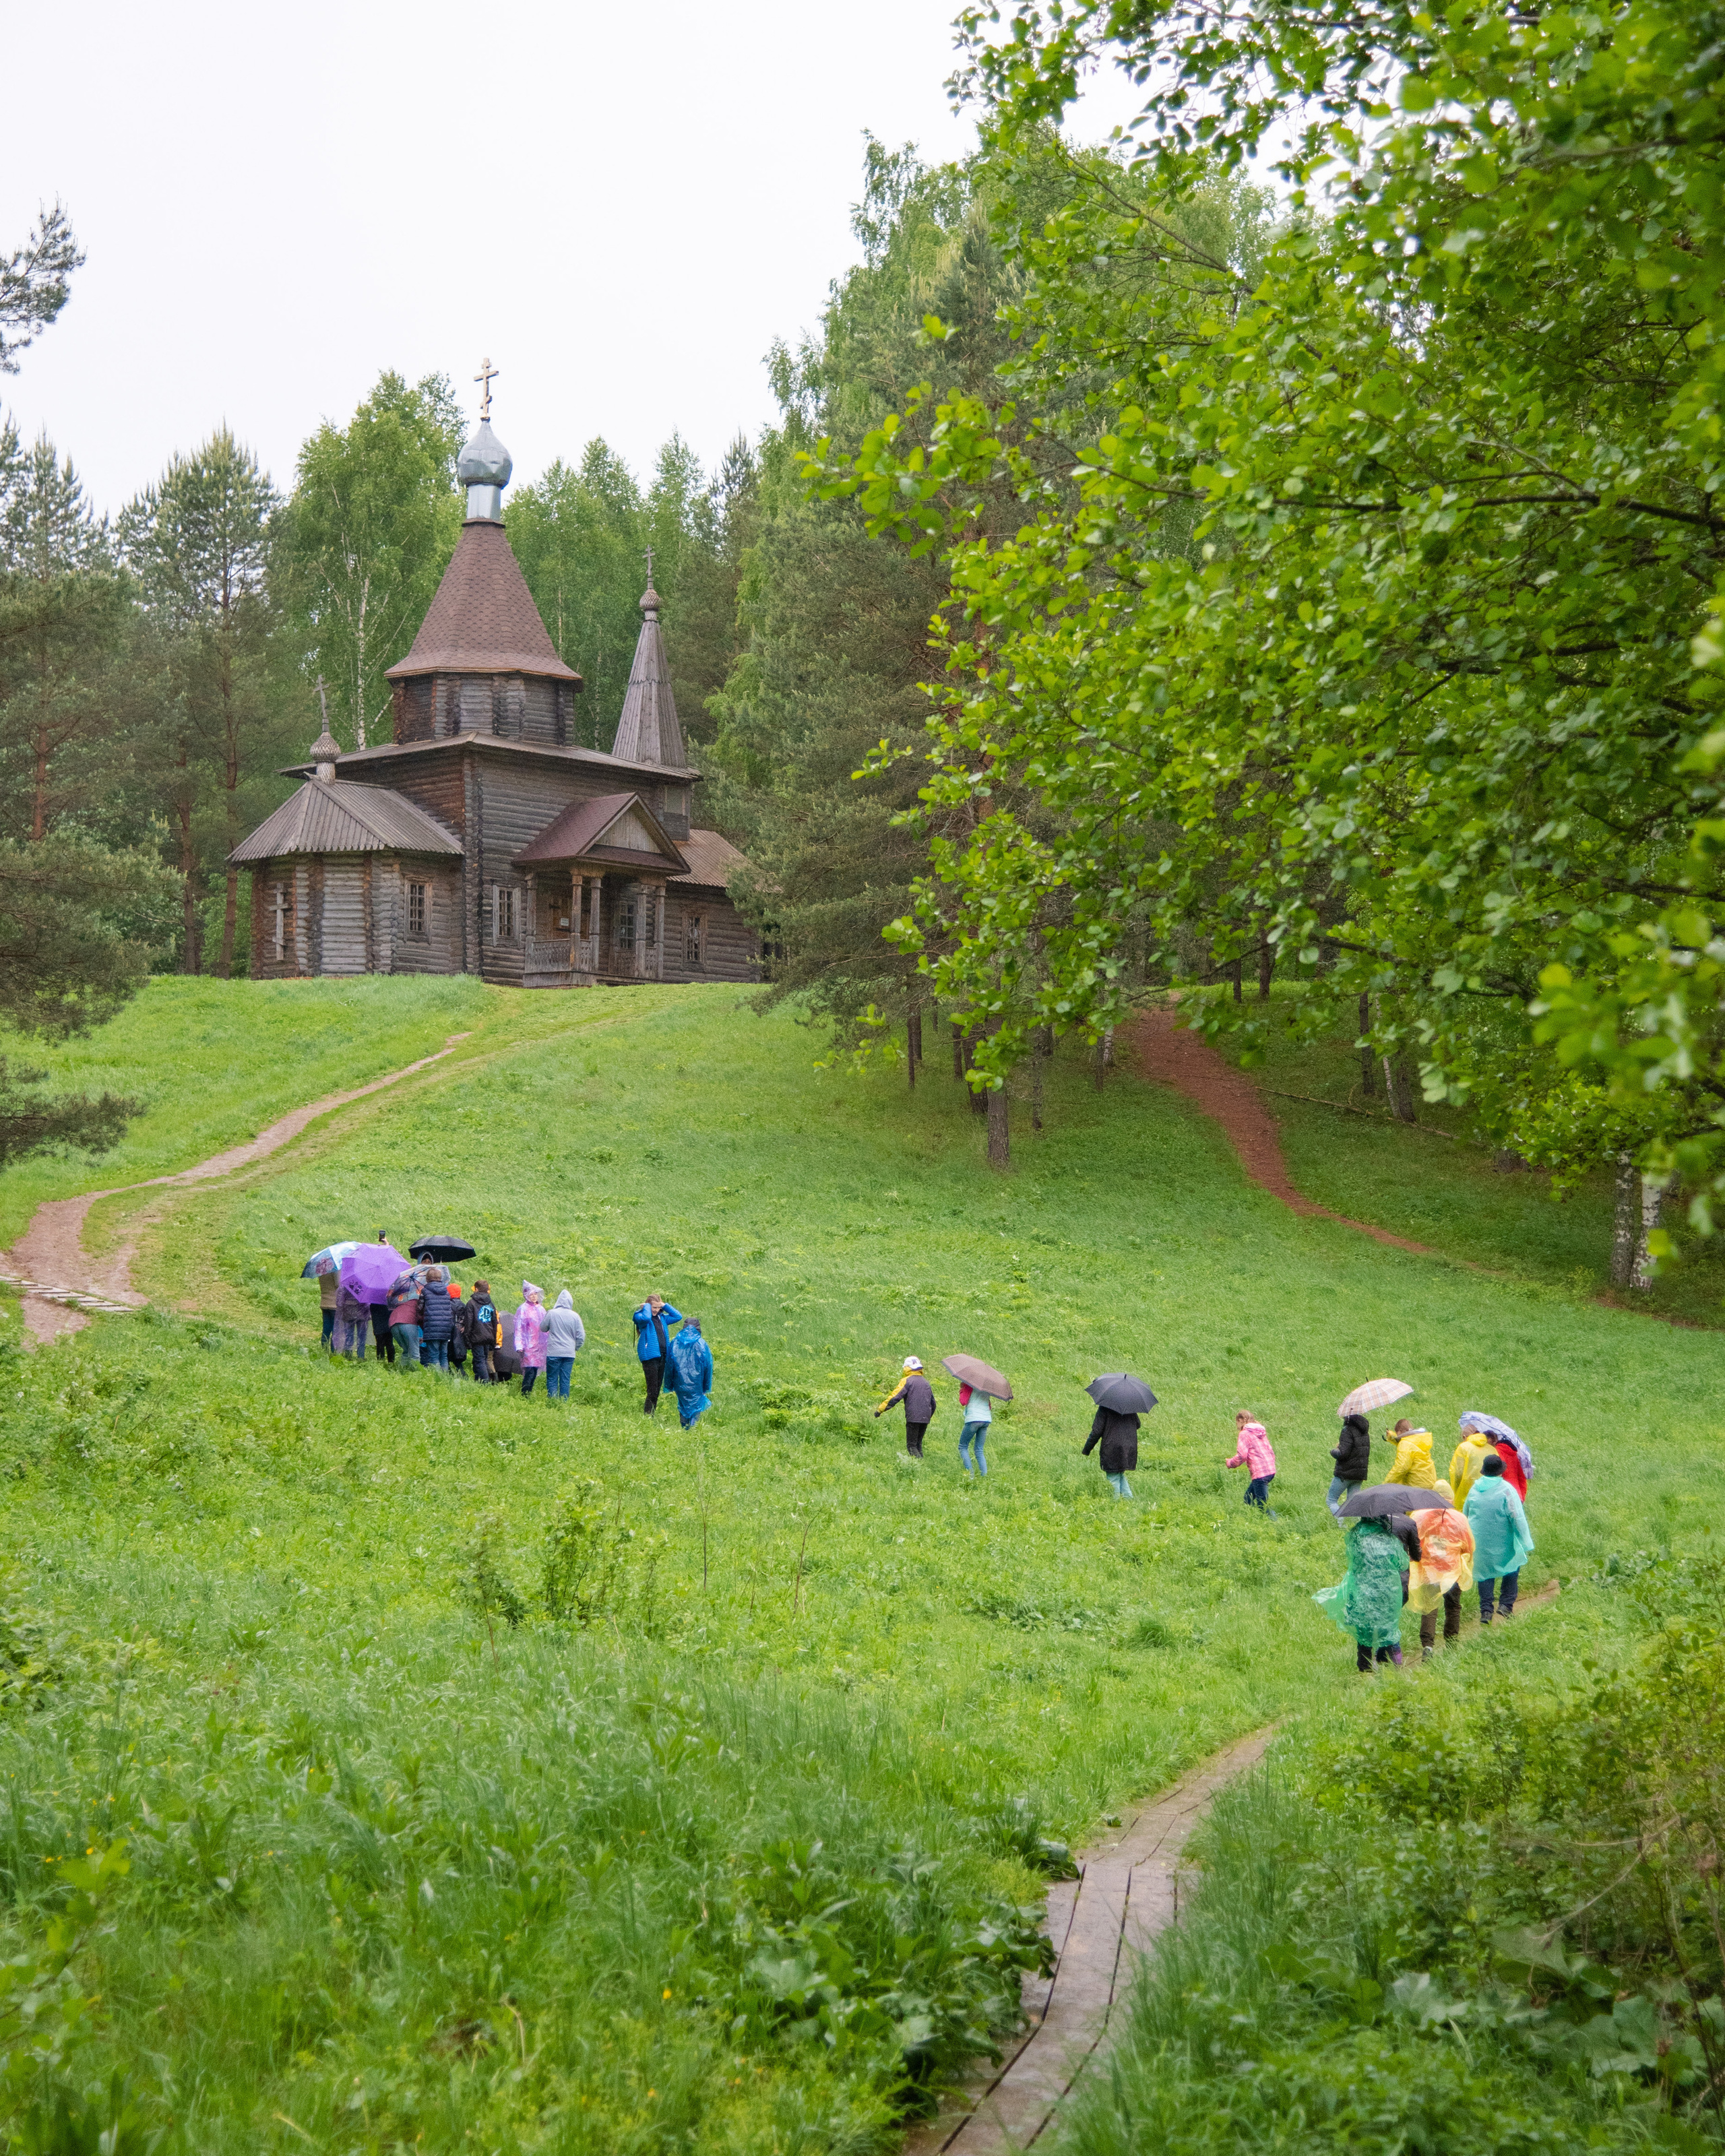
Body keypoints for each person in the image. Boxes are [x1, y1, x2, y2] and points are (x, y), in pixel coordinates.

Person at [1314, 1516, 1408, 1670]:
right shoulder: (1389, 1537)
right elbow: (1402, 1563)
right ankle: (1394, 1664)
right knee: (1388, 1626)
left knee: (1364, 1627)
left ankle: (1364, 1666)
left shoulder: (1355, 1535)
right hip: (1388, 1590)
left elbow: (1351, 1559)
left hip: (1361, 1589)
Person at [1464, 1453, 1534, 1623]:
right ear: (1500, 1472)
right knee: (1513, 1565)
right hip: (1503, 1539)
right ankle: (1506, 1606)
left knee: (1484, 1573)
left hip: (1479, 1540)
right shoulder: (1507, 1489)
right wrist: (1525, 1542)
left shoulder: (1474, 1489)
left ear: (1484, 1471)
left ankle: (1486, 1612)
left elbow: (1465, 1513)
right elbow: (1517, 1517)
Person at [1410, 1480, 1475, 1658]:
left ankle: (1428, 1646)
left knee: (1429, 1607)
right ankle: (1452, 1643)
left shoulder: (1419, 1516)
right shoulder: (1460, 1519)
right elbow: (1469, 1546)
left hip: (1429, 1571)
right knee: (1453, 1606)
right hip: (1452, 1571)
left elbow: (1413, 1542)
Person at [633, 1293, 683, 1415]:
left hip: (663, 1355)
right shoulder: (640, 1316)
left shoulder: (662, 1318)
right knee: (652, 1389)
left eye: (657, 1307)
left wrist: (664, 1306)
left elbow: (678, 1316)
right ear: (648, 1307)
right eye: (653, 1307)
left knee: (657, 1388)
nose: (656, 1310)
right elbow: (646, 1318)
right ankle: (648, 1415)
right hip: (650, 1356)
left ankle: (651, 1414)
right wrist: (646, 1308)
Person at [877, 1358, 938, 1458]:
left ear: (907, 1368)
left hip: (913, 1417)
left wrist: (880, 1410)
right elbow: (933, 1403)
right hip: (925, 1417)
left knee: (911, 1446)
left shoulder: (907, 1381)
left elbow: (894, 1397)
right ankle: (922, 1468)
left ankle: (919, 1466)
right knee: (918, 1444)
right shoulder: (926, 1383)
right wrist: (928, 1416)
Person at [1083, 1398, 1139, 1498]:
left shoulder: (1104, 1408)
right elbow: (1138, 1424)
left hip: (1111, 1448)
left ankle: (1115, 1505)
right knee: (1120, 1474)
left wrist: (1087, 1449)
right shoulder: (1129, 1407)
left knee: (1113, 1478)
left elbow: (1096, 1432)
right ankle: (1129, 1500)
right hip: (1129, 1447)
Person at [666, 1316, 714, 1429]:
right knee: (696, 1405)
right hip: (697, 1384)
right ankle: (693, 1428)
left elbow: (669, 1365)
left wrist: (669, 1385)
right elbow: (708, 1366)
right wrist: (706, 1388)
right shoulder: (702, 1344)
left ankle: (684, 1427)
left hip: (679, 1383)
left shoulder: (675, 1343)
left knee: (683, 1404)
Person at [1224, 1412, 1278, 1509]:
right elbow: (1270, 1449)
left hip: (1260, 1473)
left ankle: (1273, 1522)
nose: (1237, 1426)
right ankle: (1250, 1518)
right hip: (1270, 1470)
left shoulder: (1245, 1433)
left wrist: (1230, 1463)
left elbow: (1242, 1456)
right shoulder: (1260, 1431)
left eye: (1237, 1423)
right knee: (1248, 1499)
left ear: (1240, 1420)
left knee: (1263, 1505)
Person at [544, 1290, 586, 1401]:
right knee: (565, 1378)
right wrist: (575, 1347)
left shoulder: (552, 1313)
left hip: (554, 1351)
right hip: (569, 1353)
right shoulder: (575, 1316)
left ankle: (553, 1401)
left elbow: (542, 1328)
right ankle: (564, 1402)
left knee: (552, 1377)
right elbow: (581, 1336)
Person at [1329, 1412, 1371, 1517]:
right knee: (1353, 1504)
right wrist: (1343, 1446)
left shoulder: (1347, 1430)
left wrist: (1333, 1451)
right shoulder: (1364, 1431)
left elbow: (1343, 1454)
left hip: (1345, 1473)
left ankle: (1341, 1525)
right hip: (1359, 1474)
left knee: (1331, 1500)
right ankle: (1356, 1528)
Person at [419, 1265, 456, 1374]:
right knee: (444, 1355)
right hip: (446, 1328)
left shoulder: (425, 1291)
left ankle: (438, 1378)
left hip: (432, 1327)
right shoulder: (446, 1291)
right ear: (440, 1278)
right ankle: (445, 1378)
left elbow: (420, 1308)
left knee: (434, 1355)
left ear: (427, 1278)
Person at [1449, 1419, 1495, 1507]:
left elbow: (1458, 1473)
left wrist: (1456, 1491)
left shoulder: (1463, 1447)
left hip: (1467, 1491)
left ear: (1464, 1436)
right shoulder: (1492, 1449)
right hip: (1489, 1492)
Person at [462, 1280, 499, 1384]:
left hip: (476, 1336)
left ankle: (486, 1383)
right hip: (489, 1335)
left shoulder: (471, 1303)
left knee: (480, 1360)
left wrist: (467, 1338)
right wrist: (494, 1338)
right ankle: (480, 1381)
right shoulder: (490, 1303)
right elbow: (495, 1322)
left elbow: (469, 1322)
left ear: (476, 1289)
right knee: (485, 1359)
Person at [1383, 1418, 1438, 1488]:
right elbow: (1406, 1444)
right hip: (1429, 1482)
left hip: (1416, 1486)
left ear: (1399, 1432)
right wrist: (1392, 1437)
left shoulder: (1405, 1444)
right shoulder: (1417, 1439)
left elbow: (1401, 1468)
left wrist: (1386, 1484)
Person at [515, 1283, 548, 1397]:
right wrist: (519, 1345)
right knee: (529, 1371)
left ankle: (528, 1393)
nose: (534, 1296)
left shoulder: (541, 1309)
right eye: (531, 1294)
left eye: (535, 1294)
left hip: (539, 1345)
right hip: (528, 1345)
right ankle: (525, 1394)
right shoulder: (523, 1309)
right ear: (526, 1295)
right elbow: (518, 1328)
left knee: (534, 1370)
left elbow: (546, 1327)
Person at [387, 1268, 423, 1370]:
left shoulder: (401, 1301)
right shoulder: (417, 1301)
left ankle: (401, 1372)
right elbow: (421, 1317)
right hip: (408, 1322)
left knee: (406, 1351)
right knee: (415, 1353)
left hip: (393, 1323)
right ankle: (417, 1375)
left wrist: (416, 1338)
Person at [369, 1228, 396, 1366]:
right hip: (387, 1309)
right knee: (389, 1339)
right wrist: (387, 1247)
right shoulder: (390, 1277)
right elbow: (391, 1261)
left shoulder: (371, 1277)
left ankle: (380, 1362)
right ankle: (391, 1362)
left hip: (376, 1309)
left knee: (379, 1338)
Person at [957, 1381, 994, 1476]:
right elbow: (989, 1406)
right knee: (979, 1450)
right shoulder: (986, 1388)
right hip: (986, 1420)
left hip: (974, 1419)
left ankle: (970, 1475)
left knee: (963, 1447)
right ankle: (984, 1476)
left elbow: (963, 1401)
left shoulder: (969, 1385)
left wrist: (963, 1389)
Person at [334, 1273, 369, 1360]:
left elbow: (340, 1300)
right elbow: (368, 1299)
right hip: (362, 1312)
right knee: (362, 1335)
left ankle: (348, 1355)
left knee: (349, 1334)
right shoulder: (366, 1283)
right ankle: (361, 1356)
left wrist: (343, 1309)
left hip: (348, 1312)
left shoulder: (346, 1282)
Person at [447, 1280, 467, 1377]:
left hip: (450, 1333)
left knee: (446, 1355)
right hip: (460, 1334)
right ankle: (463, 1375)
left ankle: (449, 1374)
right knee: (458, 1358)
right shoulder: (463, 1305)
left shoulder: (448, 1305)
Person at [317, 1269, 338, 1352]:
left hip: (324, 1302)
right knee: (335, 1329)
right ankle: (334, 1351)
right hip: (334, 1303)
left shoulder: (321, 1268)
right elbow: (338, 1284)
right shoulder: (335, 1269)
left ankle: (324, 1350)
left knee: (326, 1329)